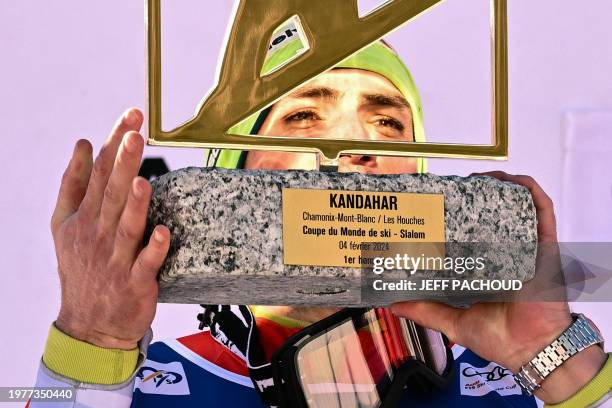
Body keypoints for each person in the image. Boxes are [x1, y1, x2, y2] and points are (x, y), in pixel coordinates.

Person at [33, 35, 611, 408]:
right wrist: (91, 343)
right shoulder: (141, 384)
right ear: (234, 167)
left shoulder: (519, 380)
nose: (352, 148)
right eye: (306, 115)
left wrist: (556, 355)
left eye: (386, 123)